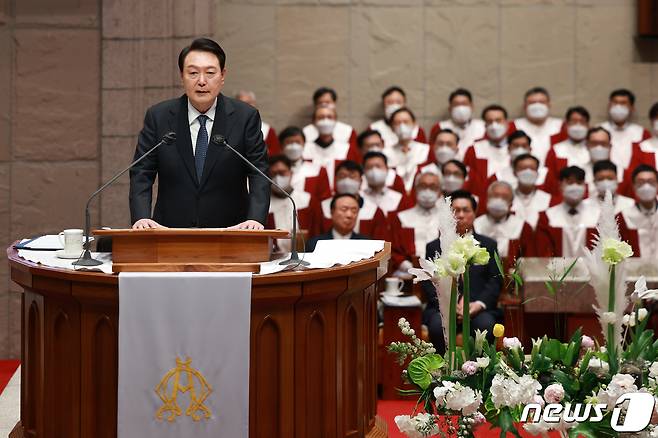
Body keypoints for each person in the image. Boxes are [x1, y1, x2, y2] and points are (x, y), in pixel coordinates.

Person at [129, 37, 269, 230]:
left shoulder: (245, 117)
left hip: (232, 232)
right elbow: (141, 172)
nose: (202, 81)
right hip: (170, 232)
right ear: (182, 76)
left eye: (210, 73)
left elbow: (259, 173)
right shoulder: (159, 117)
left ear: (222, 76)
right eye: (193, 73)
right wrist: (141, 218)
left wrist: (255, 219)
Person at [421, 191, 502, 352]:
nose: (461, 215)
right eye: (455, 210)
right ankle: (442, 372)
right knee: (437, 327)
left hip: (478, 308)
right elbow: (429, 281)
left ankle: (478, 373)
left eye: (466, 210)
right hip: (443, 307)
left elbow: (495, 280)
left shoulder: (488, 244)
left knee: (485, 326)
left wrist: (478, 305)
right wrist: (449, 305)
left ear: (475, 213)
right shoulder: (434, 247)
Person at [313, 160, 388, 239]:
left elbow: (380, 244)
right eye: (342, 176)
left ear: (361, 181)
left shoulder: (374, 210)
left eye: (352, 176)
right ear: (335, 180)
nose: (347, 181)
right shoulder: (322, 207)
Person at [535, 166, 598, 257]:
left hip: (591, 270)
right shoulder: (547, 217)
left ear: (585, 186)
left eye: (579, 182)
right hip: (557, 270)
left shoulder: (597, 216)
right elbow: (544, 252)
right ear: (560, 185)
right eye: (570, 182)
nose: (575, 186)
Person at [389, 172, 443, 274]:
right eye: (422, 186)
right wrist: (411, 268)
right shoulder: (402, 218)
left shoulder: (446, 219)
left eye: (433, 187)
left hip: (440, 272)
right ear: (416, 189)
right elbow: (394, 250)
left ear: (440, 191)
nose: (427, 191)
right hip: (408, 272)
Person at [473, 181, 534, 265]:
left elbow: (528, 262)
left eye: (505, 197)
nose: (499, 200)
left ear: (511, 204)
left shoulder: (523, 227)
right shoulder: (475, 224)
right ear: (487, 200)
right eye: (495, 196)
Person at [266, 155, 318, 251]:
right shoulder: (264, 204)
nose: (278, 178)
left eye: (282, 173)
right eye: (273, 174)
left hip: (305, 256)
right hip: (274, 257)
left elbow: (317, 233)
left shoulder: (307, 200)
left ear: (291, 173)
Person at [302, 104, 360, 186]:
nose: (325, 121)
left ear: (335, 120)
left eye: (329, 117)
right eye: (321, 117)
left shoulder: (347, 149)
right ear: (314, 122)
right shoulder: (304, 150)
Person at [463, 104, 511, 201]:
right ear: (485, 125)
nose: (494, 126)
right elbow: (468, 181)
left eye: (498, 120)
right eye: (490, 121)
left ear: (507, 123)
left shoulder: (517, 147)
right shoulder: (475, 150)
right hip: (483, 201)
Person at [600, 89, 651, 174]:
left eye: (623, 103)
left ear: (632, 108)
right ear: (609, 106)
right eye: (615, 103)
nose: (618, 107)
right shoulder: (599, 130)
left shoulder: (642, 133)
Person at [544, 106, 592, 195]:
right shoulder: (556, 150)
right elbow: (551, 180)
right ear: (566, 125)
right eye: (573, 122)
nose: (578, 126)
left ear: (588, 125)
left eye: (582, 122)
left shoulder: (593, 149)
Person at [510, 86, 564, 165]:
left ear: (549, 104)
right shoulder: (513, 126)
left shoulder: (561, 126)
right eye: (532, 103)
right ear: (525, 106)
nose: (537, 106)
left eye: (541, 102)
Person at [384, 107, 432, 193]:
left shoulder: (425, 149)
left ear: (414, 124)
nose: (402, 126)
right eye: (397, 123)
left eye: (406, 122)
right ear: (391, 128)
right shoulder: (385, 153)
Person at [428, 88, 486, 158]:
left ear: (472, 106)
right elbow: (432, 153)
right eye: (456, 104)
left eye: (464, 104)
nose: (460, 108)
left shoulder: (483, 127)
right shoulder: (439, 127)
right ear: (450, 108)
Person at [278, 126, 331, 201]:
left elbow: (325, 199)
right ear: (281, 146)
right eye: (289, 142)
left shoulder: (318, 170)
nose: (294, 146)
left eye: (298, 142)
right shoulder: (273, 171)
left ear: (304, 144)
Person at [618, 164, 658, 258]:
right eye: (641, 182)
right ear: (634, 186)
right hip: (634, 270)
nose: (646, 186)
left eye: (651, 182)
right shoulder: (623, 217)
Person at [356, 129, 406, 194]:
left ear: (383, 145)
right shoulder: (356, 174)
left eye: (377, 145)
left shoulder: (394, 176)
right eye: (369, 146)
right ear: (360, 149)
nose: (374, 149)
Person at [510, 154, 552, 229]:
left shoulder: (549, 200)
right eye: (523, 168)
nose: (528, 172)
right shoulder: (507, 198)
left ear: (537, 173)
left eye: (532, 168)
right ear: (514, 173)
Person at [235, 89, 280, 155]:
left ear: (255, 105)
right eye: (240, 103)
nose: (244, 107)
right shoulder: (228, 128)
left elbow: (276, 155)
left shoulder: (268, 130)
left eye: (248, 103)